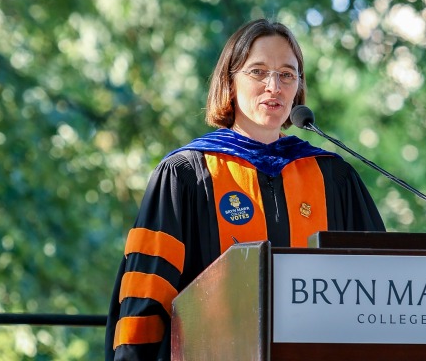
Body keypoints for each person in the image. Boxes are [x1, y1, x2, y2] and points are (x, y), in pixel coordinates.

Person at [104, 18, 385, 361]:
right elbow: (146, 298)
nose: (274, 86)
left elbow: (375, 290)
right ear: (230, 82)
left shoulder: (334, 178)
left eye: (287, 74)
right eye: (258, 72)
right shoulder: (186, 176)